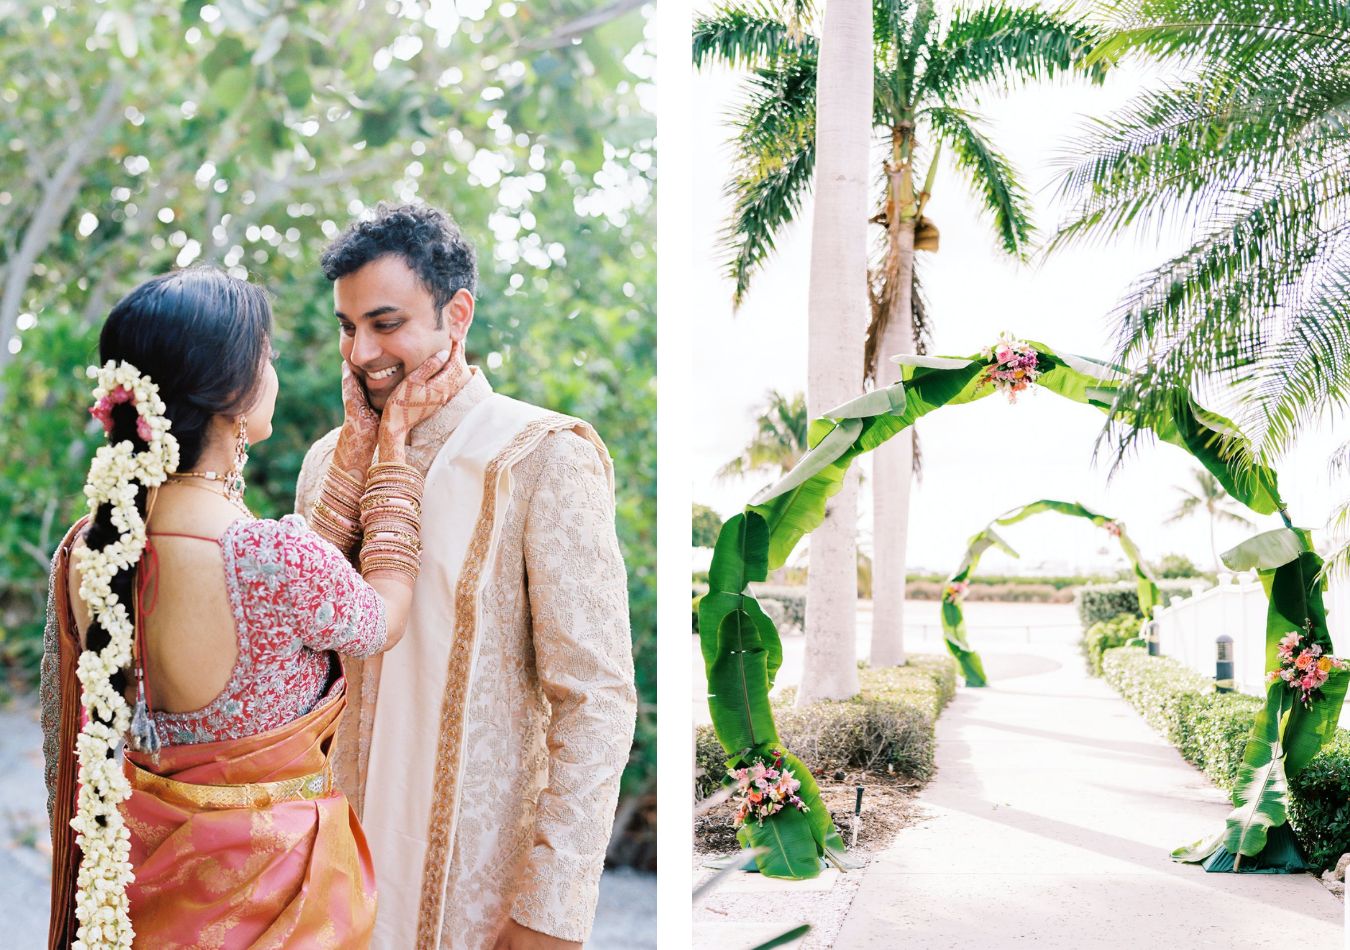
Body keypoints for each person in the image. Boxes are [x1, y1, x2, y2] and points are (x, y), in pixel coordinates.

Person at [40, 267, 458, 948]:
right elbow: (382, 617)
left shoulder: (91, 547)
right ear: (234, 394)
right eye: (268, 356)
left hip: (137, 898)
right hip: (279, 904)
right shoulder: (273, 558)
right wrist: (392, 464)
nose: (275, 370)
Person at [295, 203, 636, 950]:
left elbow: (597, 696)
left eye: (387, 324)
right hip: (330, 874)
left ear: (458, 314)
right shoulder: (329, 465)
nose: (361, 353)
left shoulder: (539, 455)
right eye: (348, 328)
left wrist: (552, 907)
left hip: (473, 893)